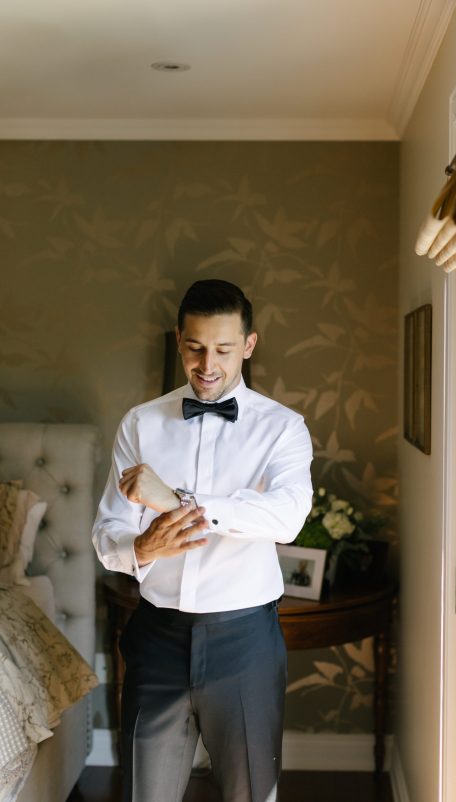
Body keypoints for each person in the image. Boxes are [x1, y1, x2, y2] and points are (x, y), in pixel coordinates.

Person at [92, 278, 313, 802]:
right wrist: (142, 548)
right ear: (178, 340)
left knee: (250, 793)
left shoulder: (283, 429)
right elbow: (107, 534)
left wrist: (178, 502)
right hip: (157, 636)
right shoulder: (141, 424)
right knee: (145, 793)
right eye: (194, 348)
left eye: (223, 349)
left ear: (249, 345)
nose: (207, 364)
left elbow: (286, 518)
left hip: (245, 641)